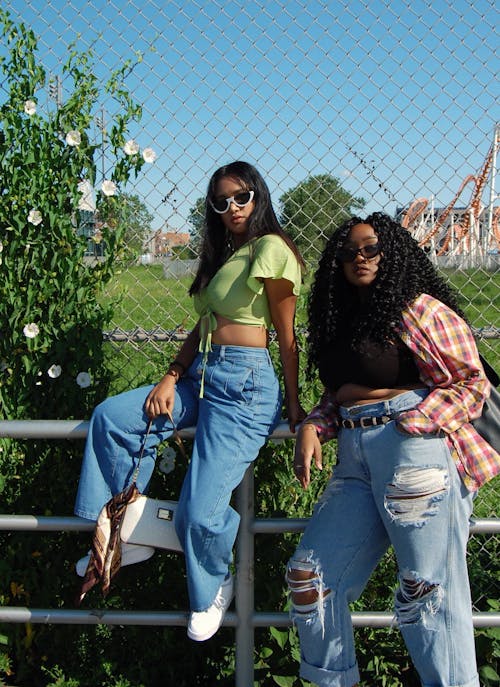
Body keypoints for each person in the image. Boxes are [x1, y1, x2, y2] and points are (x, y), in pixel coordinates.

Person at [75, 160, 305, 641]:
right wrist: (170, 375)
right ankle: (122, 533)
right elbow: (203, 327)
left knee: (198, 511)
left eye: (241, 197)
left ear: (258, 195)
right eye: (221, 202)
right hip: (200, 375)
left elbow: (286, 337)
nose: (232, 208)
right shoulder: (226, 256)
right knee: (112, 418)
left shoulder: (271, 249)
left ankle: (213, 585)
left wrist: (297, 409)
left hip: (245, 386)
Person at [287, 212, 500, 687]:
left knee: (426, 591)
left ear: (392, 253)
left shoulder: (418, 309)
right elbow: (341, 393)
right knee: (310, 578)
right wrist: (314, 425)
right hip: (354, 457)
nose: (359, 259)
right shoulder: (339, 319)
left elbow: (471, 381)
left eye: (370, 249)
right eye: (348, 253)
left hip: (411, 452)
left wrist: (416, 422)